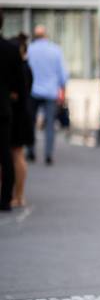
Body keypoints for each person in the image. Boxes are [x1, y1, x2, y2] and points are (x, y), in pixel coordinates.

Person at [27, 24, 68, 166]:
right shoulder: (55, 50)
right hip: (50, 91)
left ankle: (30, 150)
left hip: (32, 90)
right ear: (46, 35)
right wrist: (63, 89)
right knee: (50, 124)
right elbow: (63, 75)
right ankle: (48, 154)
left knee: (30, 122)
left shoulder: (30, 50)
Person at [0, 10, 27, 212]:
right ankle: (6, 198)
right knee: (6, 154)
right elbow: (21, 84)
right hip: (4, 109)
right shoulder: (11, 50)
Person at [8, 33, 33, 208]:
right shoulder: (26, 67)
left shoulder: (20, 68)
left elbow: (18, 93)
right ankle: (19, 194)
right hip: (22, 115)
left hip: (16, 116)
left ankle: (17, 194)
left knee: (16, 154)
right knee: (18, 154)